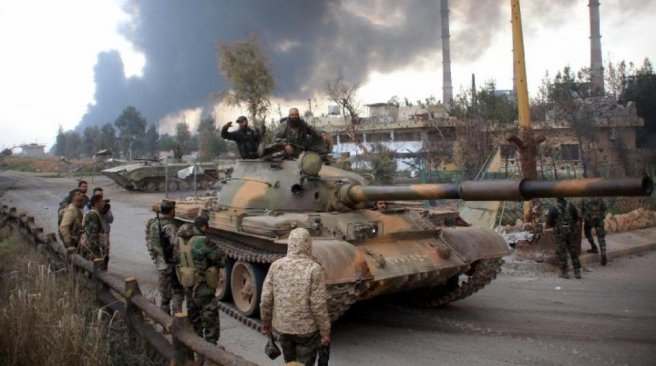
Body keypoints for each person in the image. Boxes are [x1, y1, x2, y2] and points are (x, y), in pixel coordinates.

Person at [260, 228, 331, 365]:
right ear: (308, 244)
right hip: (307, 332)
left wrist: (266, 323)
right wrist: (325, 332)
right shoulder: (314, 269)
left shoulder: (276, 266)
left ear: (290, 243)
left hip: (283, 328)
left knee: (290, 362)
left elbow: (266, 299)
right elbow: (318, 305)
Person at [176, 217, 225, 345]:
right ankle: (210, 353)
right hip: (203, 288)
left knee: (194, 319)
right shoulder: (203, 241)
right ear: (203, 227)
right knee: (210, 322)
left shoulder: (180, 241)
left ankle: (196, 348)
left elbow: (175, 260)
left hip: (188, 285)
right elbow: (221, 259)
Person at [148, 200, 184, 315]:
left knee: (165, 296)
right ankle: (178, 322)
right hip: (170, 264)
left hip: (160, 263)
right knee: (177, 292)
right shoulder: (170, 226)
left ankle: (165, 321)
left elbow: (151, 244)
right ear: (172, 210)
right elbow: (176, 244)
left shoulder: (154, 224)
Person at [547, 198, 582, 279]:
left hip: (560, 235)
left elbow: (550, 223)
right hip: (571, 233)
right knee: (573, 251)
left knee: (562, 252)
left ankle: (564, 272)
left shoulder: (553, 208)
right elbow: (576, 218)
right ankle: (577, 272)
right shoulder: (571, 206)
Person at [80, 195, 110, 262]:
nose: (104, 203)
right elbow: (92, 236)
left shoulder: (93, 213)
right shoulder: (94, 215)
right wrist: (95, 254)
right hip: (92, 250)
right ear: (96, 203)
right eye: (101, 201)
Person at [582, 197, 608, 265]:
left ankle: (594, 247)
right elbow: (605, 207)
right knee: (601, 238)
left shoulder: (585, 198)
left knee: (587, 232)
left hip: (589, 221)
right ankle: (603, 253)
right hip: (599, 220)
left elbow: (581, 209)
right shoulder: (600, 198)